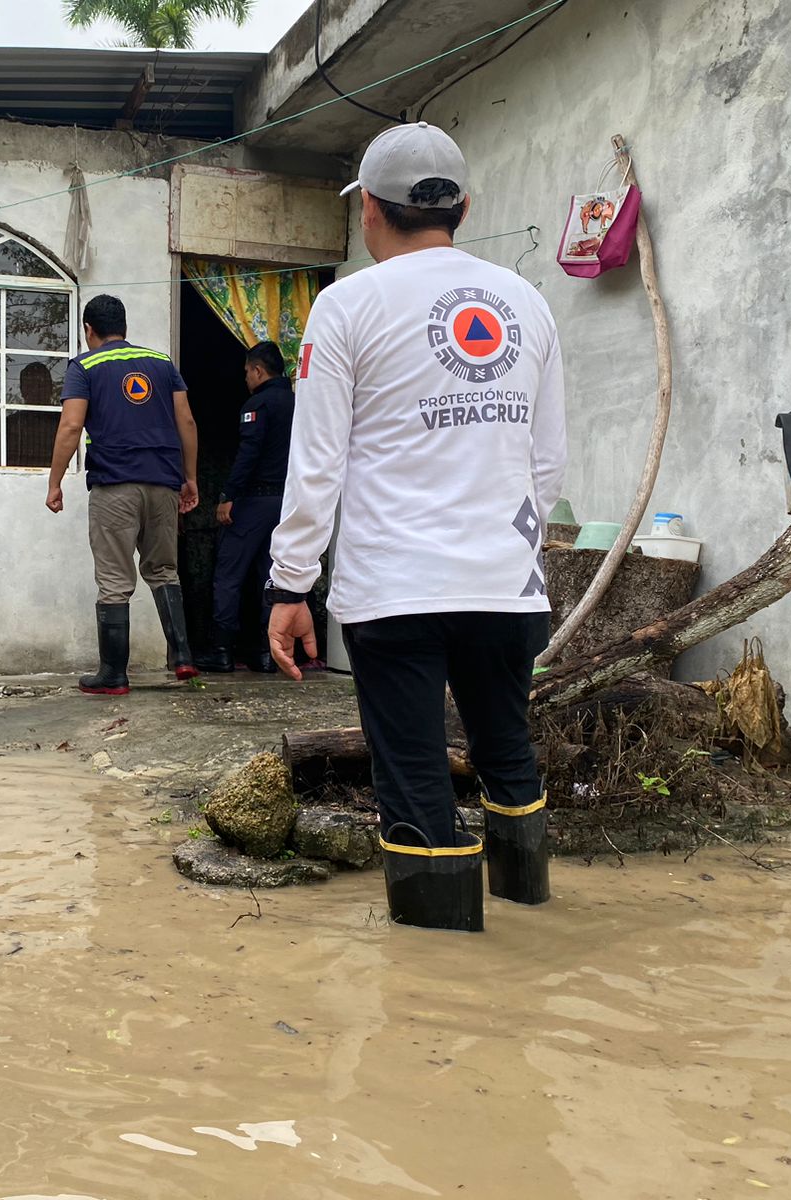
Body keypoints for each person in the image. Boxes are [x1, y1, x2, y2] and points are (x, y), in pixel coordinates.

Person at [266, 122, 566, 929]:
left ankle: (443, 990)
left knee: (414, 773)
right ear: (462, 206)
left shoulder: (347, 304)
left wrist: (291, 583)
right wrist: (511, 554)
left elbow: (317, 464)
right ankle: (527, 916)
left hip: (395, 591)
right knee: (508, 751)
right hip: (506, 588)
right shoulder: (527, 302)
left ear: (370, 208)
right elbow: (548, 462)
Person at [46, 294, 200, 695]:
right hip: (164, 484)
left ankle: (113, 674)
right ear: (125, 328)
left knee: (115, 580)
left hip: (115, 485)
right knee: (164, 569)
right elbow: (186, 419)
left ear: (88, 330)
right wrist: (190, 477)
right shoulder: (162, 363)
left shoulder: (84, 366)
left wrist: (55, 481)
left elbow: (70, 427)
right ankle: (182, 657)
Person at [200, 340, 297, 675]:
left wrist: (228, 495)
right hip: (287, 503)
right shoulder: (298, 403)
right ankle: (269, 654)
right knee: (272, 577)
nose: (245, 379)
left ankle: (222, 651)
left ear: (258, 370)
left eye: (246, 372)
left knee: (228, 574)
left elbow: (249, 454)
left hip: (255, 500)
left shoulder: (258, 405)